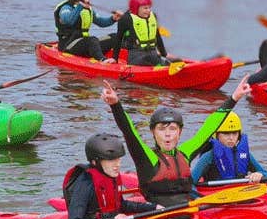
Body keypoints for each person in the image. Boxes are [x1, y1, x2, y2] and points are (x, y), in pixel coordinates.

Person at [100, 76, 251, 206]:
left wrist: (234, 98)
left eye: (172, 129)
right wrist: (115, 104)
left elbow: (208, 128)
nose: (167, 135)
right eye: (162, 129)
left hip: (189, 211)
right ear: (153, 132)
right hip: (160, 217)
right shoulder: (149, 158)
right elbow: (129, 131)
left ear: (180, 132)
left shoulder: (185, 153)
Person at [64, 133, 160, 219]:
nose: (117, 165)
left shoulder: (110, 175)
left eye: (118, 159)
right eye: (111, 160)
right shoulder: (85, 183)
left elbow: (121, 205)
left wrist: (153, 207)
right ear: (95, 162)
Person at [190, 112, 267, 184]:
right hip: (216, 194)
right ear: (216, 135)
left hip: (239, 192)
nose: (231, 138)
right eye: (226, 133)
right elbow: (191, 182)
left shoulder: (245, 155)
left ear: (239, 135)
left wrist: (260, 174)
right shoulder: (208, 156)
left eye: (234, 133)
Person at [53, 0, 122, 63]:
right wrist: (80, 6)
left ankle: (116, 59)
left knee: (115, 37)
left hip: (84, 44)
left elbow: (101, 22)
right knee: (91, 40)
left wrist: (113, 19)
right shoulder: (65, 8)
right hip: (68, 45)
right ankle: (103, 60)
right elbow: (69, 21)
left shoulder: (87, 8)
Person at [112, 0, 170, 66]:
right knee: (151, 59)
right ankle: (162, 65)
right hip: (136, 56)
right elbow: (118, 39)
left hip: (152, 53)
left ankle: (164, 64)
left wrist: (164, 54)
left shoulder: (153, 16)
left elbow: (158, 37)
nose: (148, 10)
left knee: (172, 60)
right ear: (136, 8)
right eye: (145, 8)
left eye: (149, 7)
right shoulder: (126, 19)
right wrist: (114, 58)